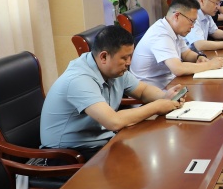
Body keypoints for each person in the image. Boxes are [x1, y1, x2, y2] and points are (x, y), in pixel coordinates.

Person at [40, 25, 184, 159]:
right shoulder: (78, 79)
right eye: (124, 58)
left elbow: (142, 91)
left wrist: (165, 96)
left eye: (130, 56)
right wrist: (157, 106)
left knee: (155, 150)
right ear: (104, 57)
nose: (129, 62)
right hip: (68, 154)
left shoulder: (114, 70)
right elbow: (113, 121)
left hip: (100, 140)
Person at [129, 0, 223, 88]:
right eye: (191, 21)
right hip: (152, 92)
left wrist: (199, 57)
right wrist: (210, 65)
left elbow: (186, 54)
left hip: (169, 84)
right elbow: (178, 68)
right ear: (176, 16)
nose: (192, 26)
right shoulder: (160, 35)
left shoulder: (174, 29)